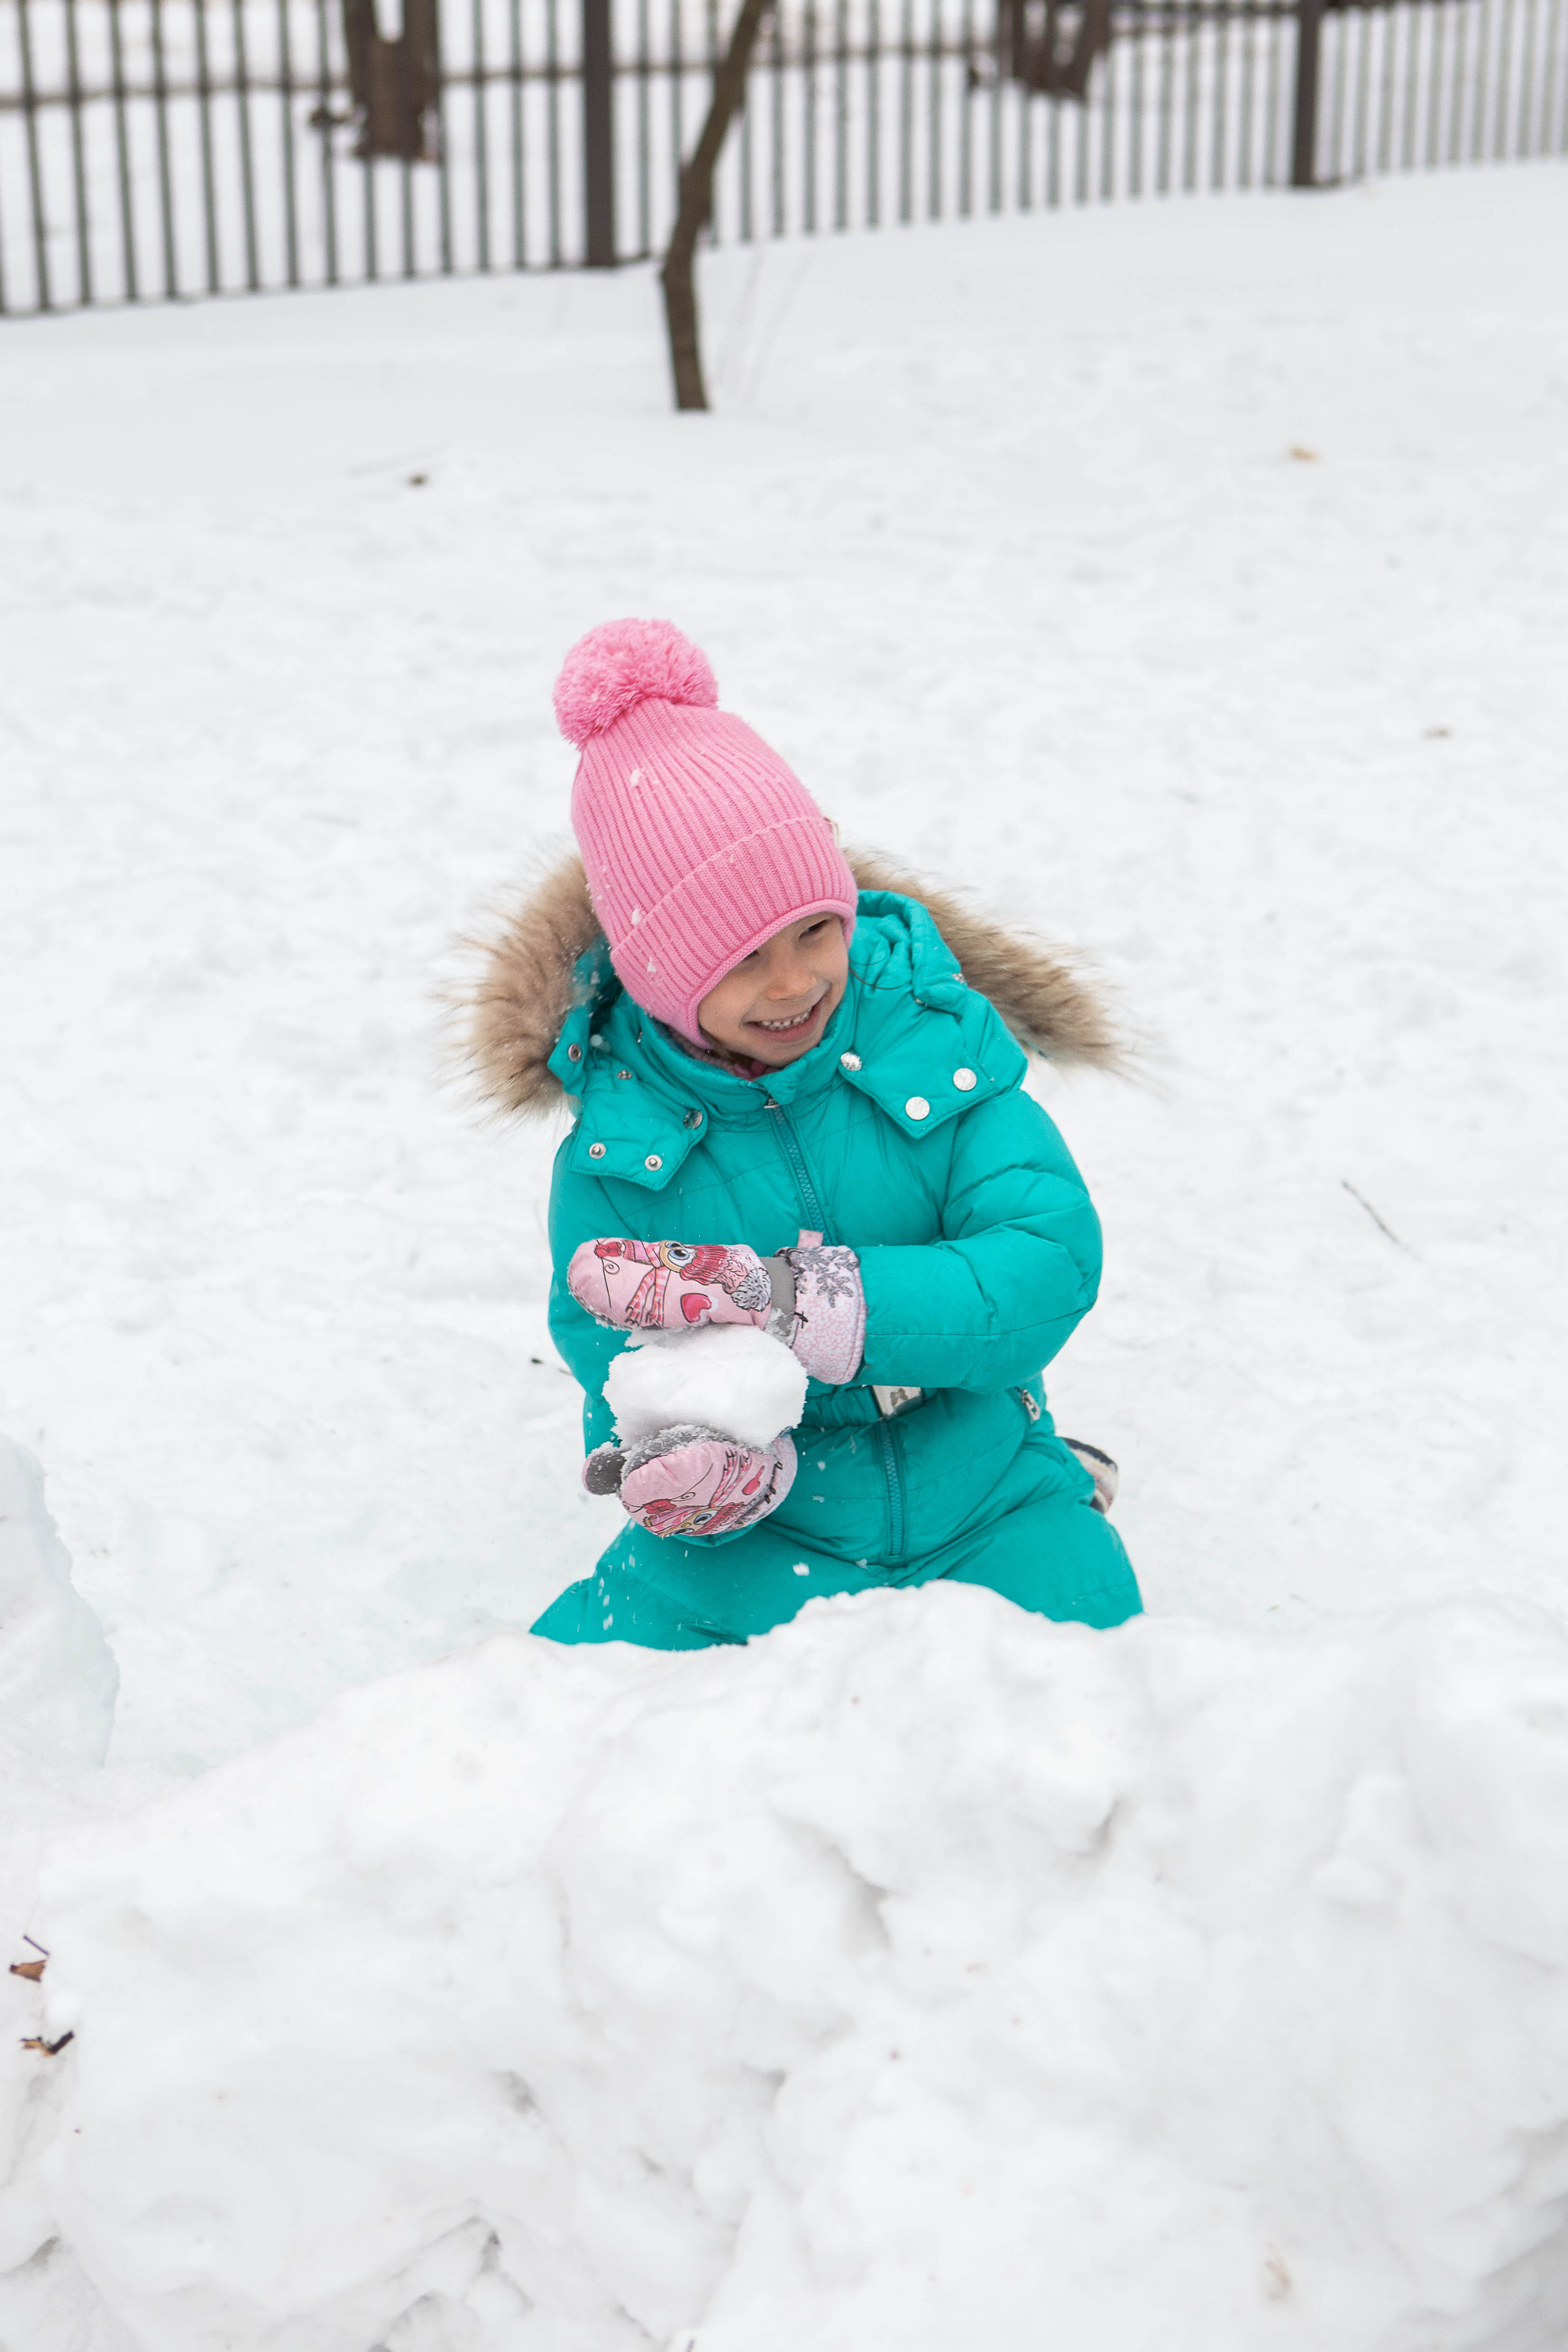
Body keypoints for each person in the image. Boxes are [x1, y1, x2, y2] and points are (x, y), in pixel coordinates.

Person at [467, 618, 1142, 1650]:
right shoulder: (619, 1152)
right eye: (739, 960)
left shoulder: (936, 1048)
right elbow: (607, 1348)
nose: (793, 985)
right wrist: (694, 1465)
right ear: (656, 976)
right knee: (583, 1718)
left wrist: (795, 1305)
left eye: (815, 931)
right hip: (761, 1532)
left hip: (985, 1488)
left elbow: (1043, 1266)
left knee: (1093, 1702)